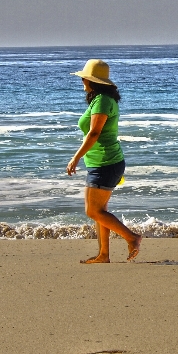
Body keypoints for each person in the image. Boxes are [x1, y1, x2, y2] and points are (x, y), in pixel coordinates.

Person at [66, 59, 142, 263]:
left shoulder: (102, 100)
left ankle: (132, 237)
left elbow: (94, 133)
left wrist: (76, 157)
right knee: (99, 212)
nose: (82, 80)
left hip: (106, 163)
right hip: (101, 163)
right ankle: (103, 255)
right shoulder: (101, 99)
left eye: (84, 77)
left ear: (92, 81)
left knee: (93, 210)